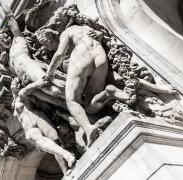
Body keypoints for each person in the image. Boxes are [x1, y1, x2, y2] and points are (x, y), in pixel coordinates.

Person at [42, 8, 130, 147]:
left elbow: (59, 54)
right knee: (89, 106)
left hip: (82, 56)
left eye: (57, 22)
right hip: (100, 55)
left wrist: (49, 73)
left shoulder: (68, 32)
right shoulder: (86, 26)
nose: (57, 25)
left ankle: (88, 128)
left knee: (71, 100)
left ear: (64, 21)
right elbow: (102, 35)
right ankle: (108, 92)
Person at [11, 77, 76, 169]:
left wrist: (37, 84)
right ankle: (66, 156)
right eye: (14, 84)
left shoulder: (22, 95)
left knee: (55, 139)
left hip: (38, 117)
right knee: (36, 139)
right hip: (29, 127)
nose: (16, 85)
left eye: (17, 83)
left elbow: (26, 90)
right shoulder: (16, 102)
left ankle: (67, 160)